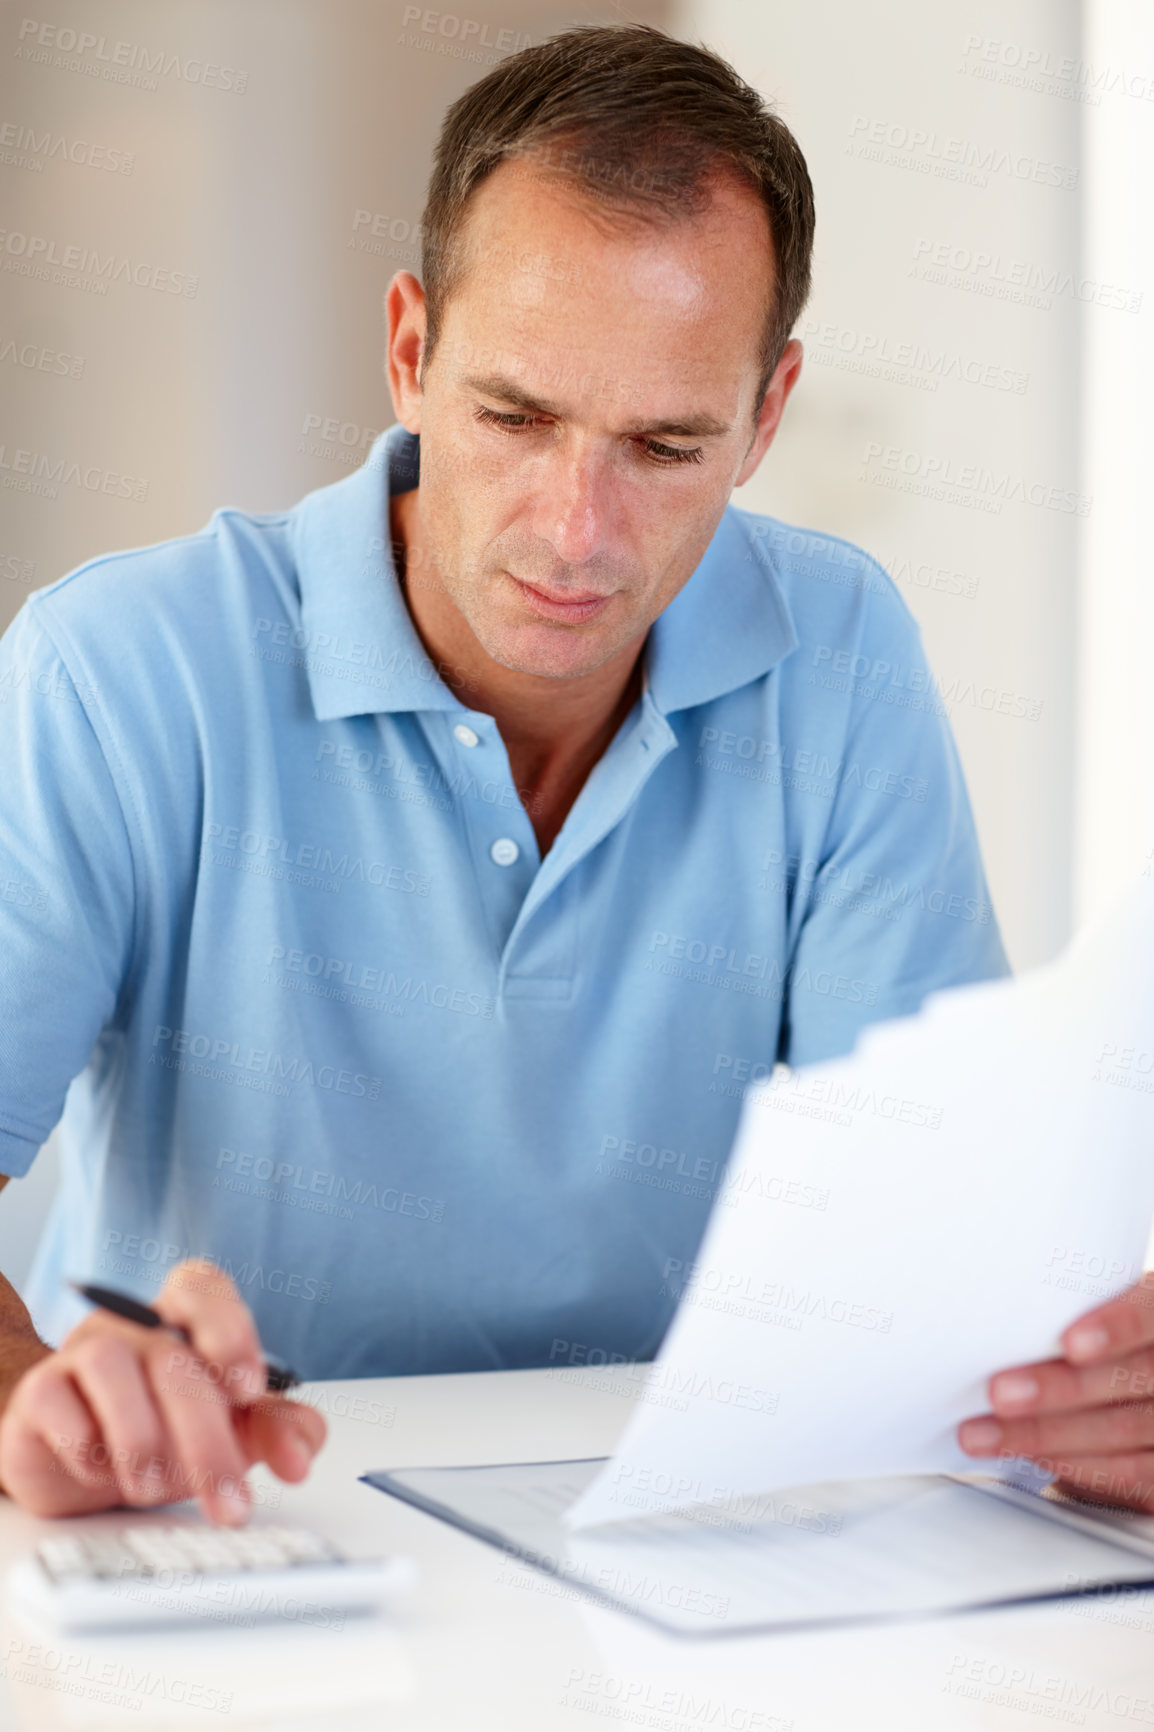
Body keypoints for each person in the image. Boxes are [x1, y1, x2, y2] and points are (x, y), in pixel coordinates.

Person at [0, 23, 1140, 1528]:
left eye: (665, 445)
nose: (577, 532)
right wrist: (32, 1401)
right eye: (515, 418)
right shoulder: (120, 668)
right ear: (409, 352)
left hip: (672, 1539)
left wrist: (1084, 1380)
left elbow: (943, 1238)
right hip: (232, 1526)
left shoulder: (841, 649)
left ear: (767, 415)